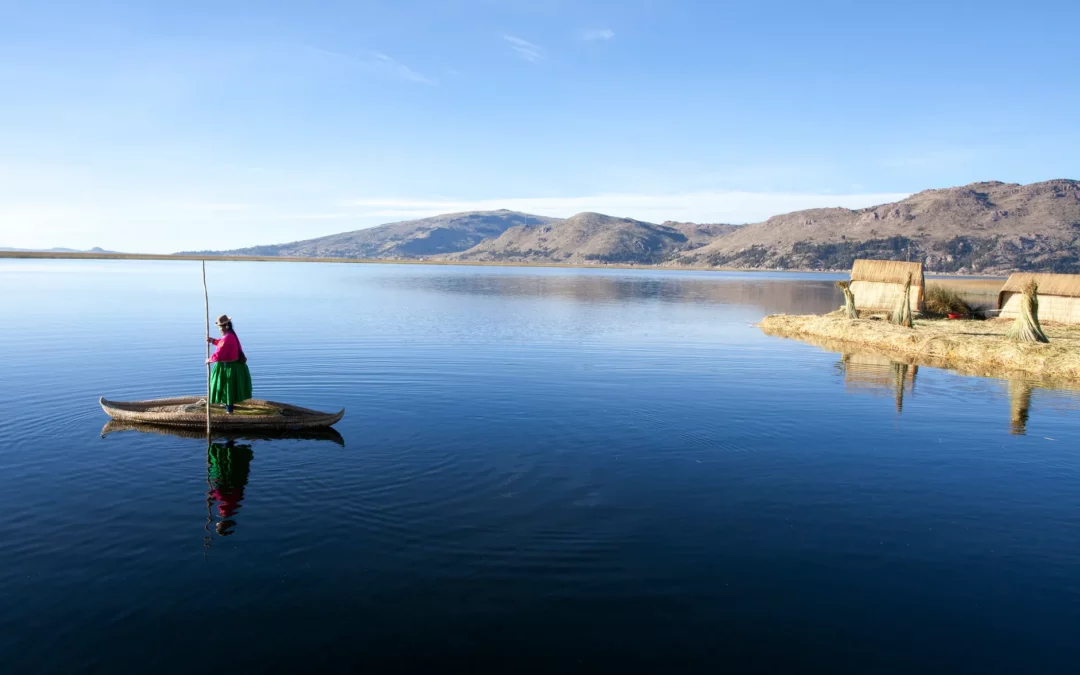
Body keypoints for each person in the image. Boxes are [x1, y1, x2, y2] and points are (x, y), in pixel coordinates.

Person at [206, 314, 253, 414]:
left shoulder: (228, 338)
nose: (219, 329)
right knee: (229, 389)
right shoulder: (230, 334)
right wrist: (213, 341)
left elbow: (219, 352)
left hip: (229, 368)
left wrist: (210, 359)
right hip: (232, 366)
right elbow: (221, 343)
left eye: (220, 327)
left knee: (228, 388)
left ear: (226, 326)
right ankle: (229, 407)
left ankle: (229, 411)